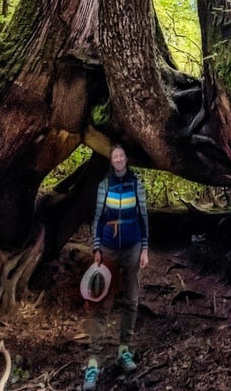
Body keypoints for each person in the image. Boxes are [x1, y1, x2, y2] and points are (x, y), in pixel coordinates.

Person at [83, 144, 149, 391]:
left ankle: (124, 349)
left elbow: (143, 217)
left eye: (122, 156)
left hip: (132, 247)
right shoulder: (105, 185)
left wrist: (145, 248)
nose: (119, 160)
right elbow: (98, 218)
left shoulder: (136, 183)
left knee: (131, 301)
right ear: (111, 161)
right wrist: (97, 248)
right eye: (115, 157)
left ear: (126, 159)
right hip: (108, 249)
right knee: (102, 302)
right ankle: (93, 361)